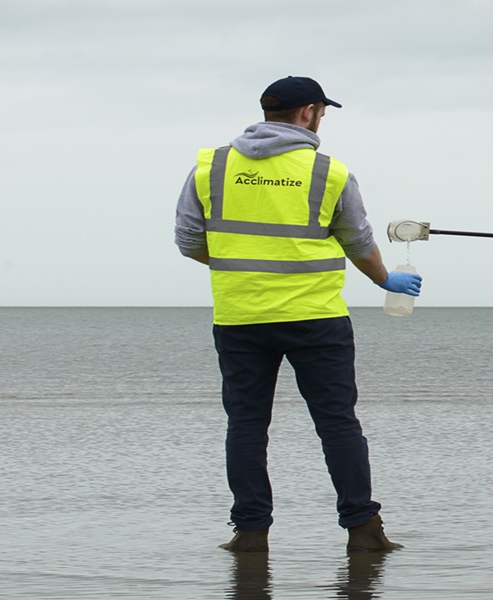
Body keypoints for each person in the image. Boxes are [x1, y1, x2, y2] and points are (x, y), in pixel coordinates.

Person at [175, 76, 419, 553]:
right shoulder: (328, 172)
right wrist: (383, 279)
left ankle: (249, 534)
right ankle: (364, 531)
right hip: (316, 317)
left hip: (240, 316)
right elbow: (358, 241)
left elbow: (188, 242)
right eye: (323, 112)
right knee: (337, 423)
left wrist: (239, 263)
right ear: (308, 112)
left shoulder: (211, 167)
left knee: (246, 425)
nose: (322, 119)